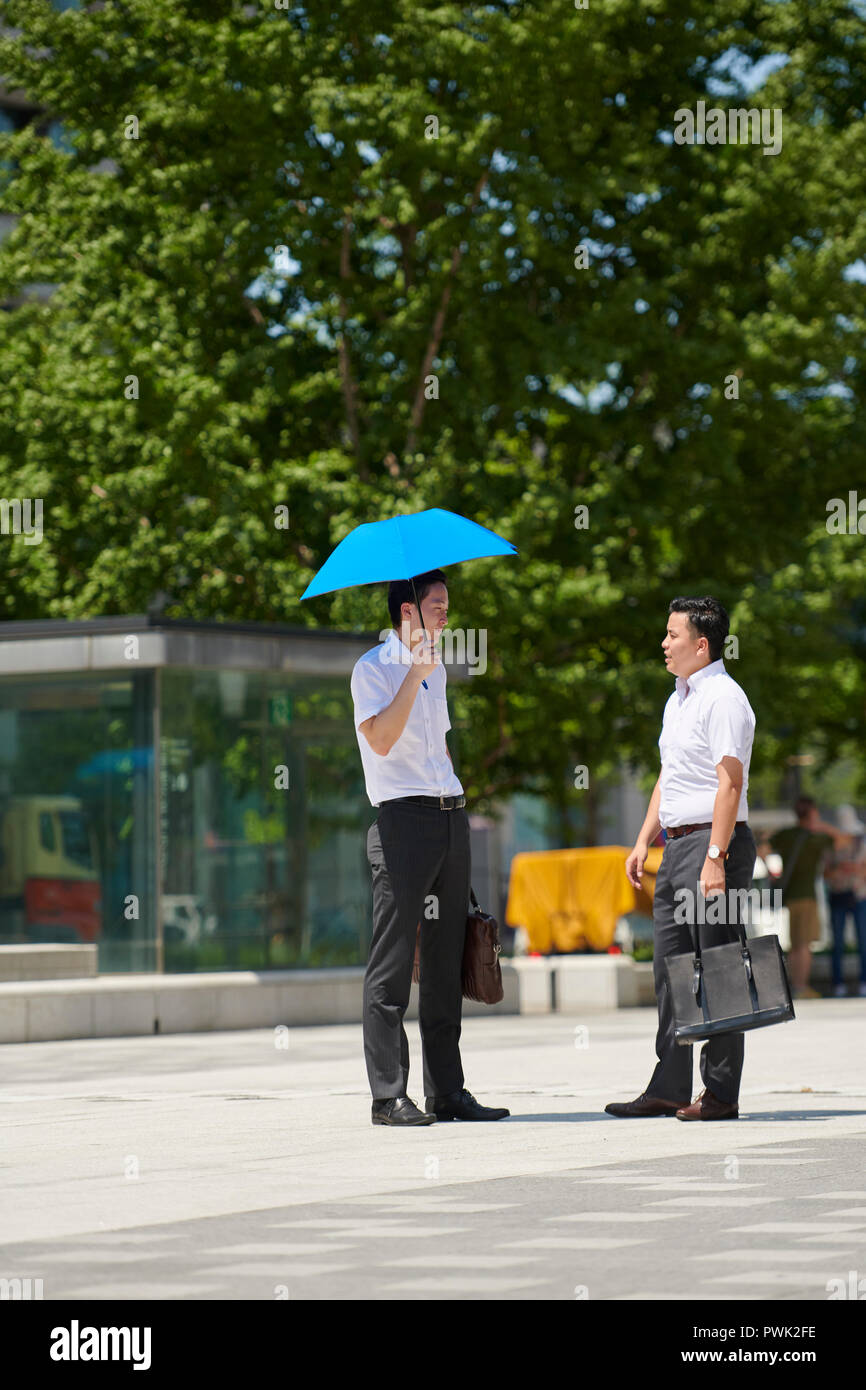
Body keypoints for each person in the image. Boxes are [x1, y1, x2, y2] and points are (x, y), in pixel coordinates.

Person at [350, 569, 509, 1127]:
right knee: (392, 963)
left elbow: (435, 748)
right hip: (401, 823)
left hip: (448, 816)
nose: (446, 615)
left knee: (445, 961)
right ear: (408, 611)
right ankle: (388, 1095)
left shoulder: (436, 669)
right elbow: (383, 739)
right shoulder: (372, 669)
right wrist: (413, 673)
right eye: (437, 606)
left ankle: (447, 1091)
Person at [608, 595, 757, 1122]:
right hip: (677, 846)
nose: (663, 643)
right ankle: (669, 1085)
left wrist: (715, 857)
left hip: (716, 846)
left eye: (672, 635)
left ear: (701, 643)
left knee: (717, 967)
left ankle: (720, 1095)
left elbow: (729, 782)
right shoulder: (678, 700)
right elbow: (671, 776)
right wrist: (644, 838)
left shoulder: (724, 698)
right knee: (671, 968)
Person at [769, 797, 847, 999]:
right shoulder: (816, 838)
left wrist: (771, 873)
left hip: (789, 896)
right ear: (812, 813)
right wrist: (819, 825)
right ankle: (802, 987)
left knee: (795, 944)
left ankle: (795, 986)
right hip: (807, 896)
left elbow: (763, 849)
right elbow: (842, 840)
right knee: (805, 945)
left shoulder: (786, 835)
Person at [823, 805, 866, 998]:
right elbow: (825, 873)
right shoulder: (830, 848)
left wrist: (854, 868)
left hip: (859, 896)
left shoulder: (862, 846)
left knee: (863, 941)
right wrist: (839, 868)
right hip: (838, 895)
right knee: (837, 942)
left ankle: (864, 981)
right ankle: (837, 983)